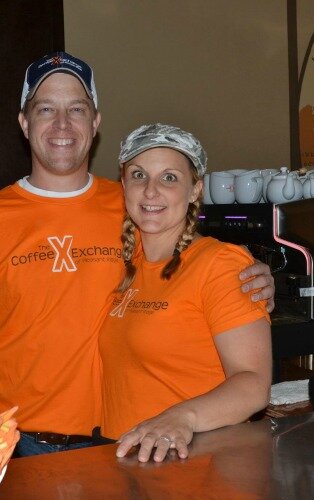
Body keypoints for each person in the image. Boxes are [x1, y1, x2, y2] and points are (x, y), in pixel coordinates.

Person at [0, 52, 274, 457]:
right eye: (45, 109)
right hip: (12, 443)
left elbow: (194, 262)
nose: (62, 125)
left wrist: (252, 274)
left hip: (118, 441)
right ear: (24, 123)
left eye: (77, 109)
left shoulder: (131, 205)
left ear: (95, 122)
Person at [99, 123, 272, 463]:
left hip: (189, 460)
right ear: (124, 186)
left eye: (169, 178)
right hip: (126, 458)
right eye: (138, 175)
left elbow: (253, 384)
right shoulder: (125, 264)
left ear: (195, 190)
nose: (150, 191)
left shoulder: (219, 264)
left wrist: (182, 417)